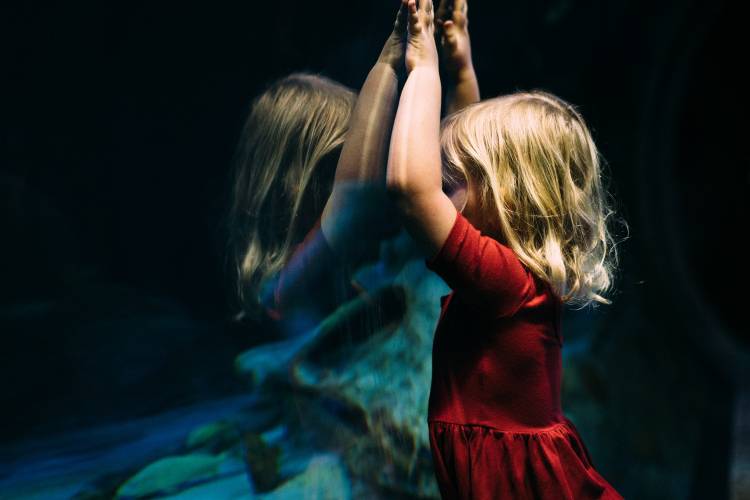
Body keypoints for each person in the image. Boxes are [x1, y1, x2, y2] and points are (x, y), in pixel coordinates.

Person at [386, 0, 625, 498]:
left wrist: (423, 67)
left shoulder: (504, 282)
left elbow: (411, 188)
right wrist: (460, 68)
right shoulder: (514, 278)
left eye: (449, 184)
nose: (441, 196)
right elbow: (454, 166)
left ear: (504, 196)